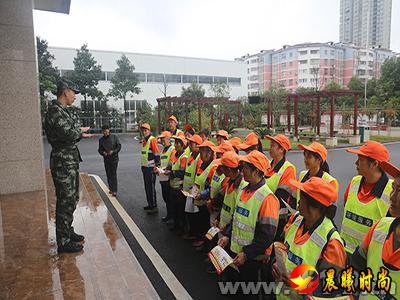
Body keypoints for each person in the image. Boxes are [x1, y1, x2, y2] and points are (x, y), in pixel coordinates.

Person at [218, 151, 280, 299]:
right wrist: (227, 235)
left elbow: (267, 236)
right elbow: (236, 218)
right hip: (236, 254)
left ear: (256, 171)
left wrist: (246, 254)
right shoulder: (244, 190)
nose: (242, 170)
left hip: (252, 261)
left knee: (249, 294)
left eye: (245, 167)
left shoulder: (268, 198)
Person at [272, 177, 346, 299]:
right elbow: (282, 245)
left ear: (314, 205)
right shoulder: (295, 219)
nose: (298, 202)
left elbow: (330, 288)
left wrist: (298, 285)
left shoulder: (332, 241)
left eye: (302, 198)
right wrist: (275, 263)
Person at [44, 78, 92, 253]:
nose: (75, 96)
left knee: (72, 198)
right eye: (74, 92)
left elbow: (72, 131)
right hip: (63, 161)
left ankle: (67, 230)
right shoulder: (55, 111)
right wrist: (78, 132)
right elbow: (69, 133)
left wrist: (77, 131)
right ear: (65, 91)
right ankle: (63, 241)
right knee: (65, 199)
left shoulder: (62, 111)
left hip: (68, 160)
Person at [349, 160, 400, 299]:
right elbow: (356, 266)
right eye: (393, 188)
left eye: (399, 190)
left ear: (374, 164)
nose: (392, 196)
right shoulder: (380, 227)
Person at [341, 141, 393, 254]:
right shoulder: (354, 182)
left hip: (368, 260)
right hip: (343, 254)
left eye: (360, 159)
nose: (356, 163)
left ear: (374, 164)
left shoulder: (392, 192)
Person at [264, 134, 296, 240]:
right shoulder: (267, 164)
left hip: (277, 218)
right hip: (263, 213)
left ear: (281, 149)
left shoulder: (288, 169)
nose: (270, 148)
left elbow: (282, 197)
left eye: (273, 145)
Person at [192, 141, 218, 249]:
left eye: (202, 151)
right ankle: (203, 242)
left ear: (209, 153)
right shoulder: (202, 164)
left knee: (207, 226)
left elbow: (210, 187)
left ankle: (206, 246)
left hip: (207, 202)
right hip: (199, 199)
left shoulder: (213, 166)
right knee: (201, 223)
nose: (200, 154)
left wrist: (202, 195)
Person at [296, 142, 338, 206]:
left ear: (319, 160)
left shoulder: (330, 181)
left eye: (309, 157)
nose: (305, 160)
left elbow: (330, 211)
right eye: (305, 156)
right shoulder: (302, 174)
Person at [182, 134, 203, 240]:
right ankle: (192, 232)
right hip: (188, 190)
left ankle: (195, 235)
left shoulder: (199, 158)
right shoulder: (191, 155)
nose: (189, 145)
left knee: (195, 214)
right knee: (189, 212)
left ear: (198, 145)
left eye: (192, 143)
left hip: (194, 190)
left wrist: (194, 190)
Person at [166, 135, 188, 234]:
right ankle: (176, 225)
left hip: (178, 188)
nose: (175, 145)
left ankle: (181, 228)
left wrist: (171, 173)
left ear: (182, 145)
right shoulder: (175, 155)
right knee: (174, 208)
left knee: (180, 210)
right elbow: (172, 167)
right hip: (172, 186)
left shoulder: (184, 157)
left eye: (177, 143)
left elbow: (182, 172)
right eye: (175, 143)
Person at [140, 123, 160, 214]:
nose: (144, 132)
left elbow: (156, 153)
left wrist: (157, 166)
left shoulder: (152, 140)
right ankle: (150, 204)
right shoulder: (144, 140)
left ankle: (154, 207)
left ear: (149, 130)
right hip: (145, 167)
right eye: (143, 130)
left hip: (151, 168)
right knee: (147, 187)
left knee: (151, 187)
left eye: (145, 130)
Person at [98, 124, 121, 196]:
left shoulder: (114, 137)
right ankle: (111, 188)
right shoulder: (101, 140)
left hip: (114, 159)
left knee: (113, 174)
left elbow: (119, 146)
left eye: (106, 130)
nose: (105, 132)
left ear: (109, 130)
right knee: (108, 174)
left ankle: (114, 190)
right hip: (106, 159)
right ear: (102, 132)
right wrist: (103, 153)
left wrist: (113, 152)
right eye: (104, 131)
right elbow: (99, 149)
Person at [156, 131, 174, 222]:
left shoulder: (172, 149)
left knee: (170, 199)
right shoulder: (163, 150)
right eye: (161, 139)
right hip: (162, 178)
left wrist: (165, 169)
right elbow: (161, 162)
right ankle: (169, 215)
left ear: (168, 139)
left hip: (168, 178)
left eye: (163, 139)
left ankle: (172, 217)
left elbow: (171, 164)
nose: (162, 141)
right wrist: (158, 168)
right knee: (165, 198)